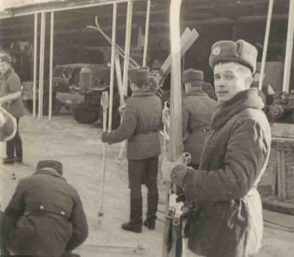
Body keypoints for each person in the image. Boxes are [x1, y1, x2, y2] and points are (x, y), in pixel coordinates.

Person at [162, 40, 271, 257]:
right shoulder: (229, 115)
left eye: (229, 76)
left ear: (248, 80)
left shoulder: (248, 121)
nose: (221, 83)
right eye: (218, 76)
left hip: (231, 225)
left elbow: (235, 182)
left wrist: (181, 175)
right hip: (220, 222)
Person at [102, 67, 162, 233]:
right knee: (152, 184)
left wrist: (108, 137)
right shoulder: (157, 99)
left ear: (134, 85)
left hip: (137, 149)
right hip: (154, 146)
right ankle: (151, 220)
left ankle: (135, 222)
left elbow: (125, 131)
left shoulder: (133, 103)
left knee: (135, 186)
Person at [0, 160, 88, 257]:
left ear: (38, 170)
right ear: (59, 174)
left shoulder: (26, 182)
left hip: (25, 242)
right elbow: (81, 232)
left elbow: (9, 217)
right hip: (55, 247)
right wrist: (61, 247)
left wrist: (7, 248)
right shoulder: (72, 191)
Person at [182, 68, 217, 170]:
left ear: (187, 86)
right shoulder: (214, 103)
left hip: (193, 150)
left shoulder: (185, 102)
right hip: (212, 147)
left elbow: (180, 131)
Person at [0, 53, 26, 164]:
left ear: (9, 65)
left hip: (14, 109)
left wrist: (2, 100)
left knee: (9, 130)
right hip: (9, 109)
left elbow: (17, 93)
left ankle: (10, 157)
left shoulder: (13, 76)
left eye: (3, 65)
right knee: (15, 132)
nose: (1, 68)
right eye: (0, 65)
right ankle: (18, 156)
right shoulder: (5, 76)